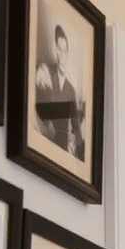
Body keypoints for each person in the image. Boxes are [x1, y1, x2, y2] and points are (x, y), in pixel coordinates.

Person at [35, 24, 84, 158]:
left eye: (65, 51)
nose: (62, 55)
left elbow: (76, 128)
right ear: (55, 50)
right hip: (41, 147)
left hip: (60, 154)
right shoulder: (45, 71)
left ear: (68, 53)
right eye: (59, 49)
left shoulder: (71, 90)